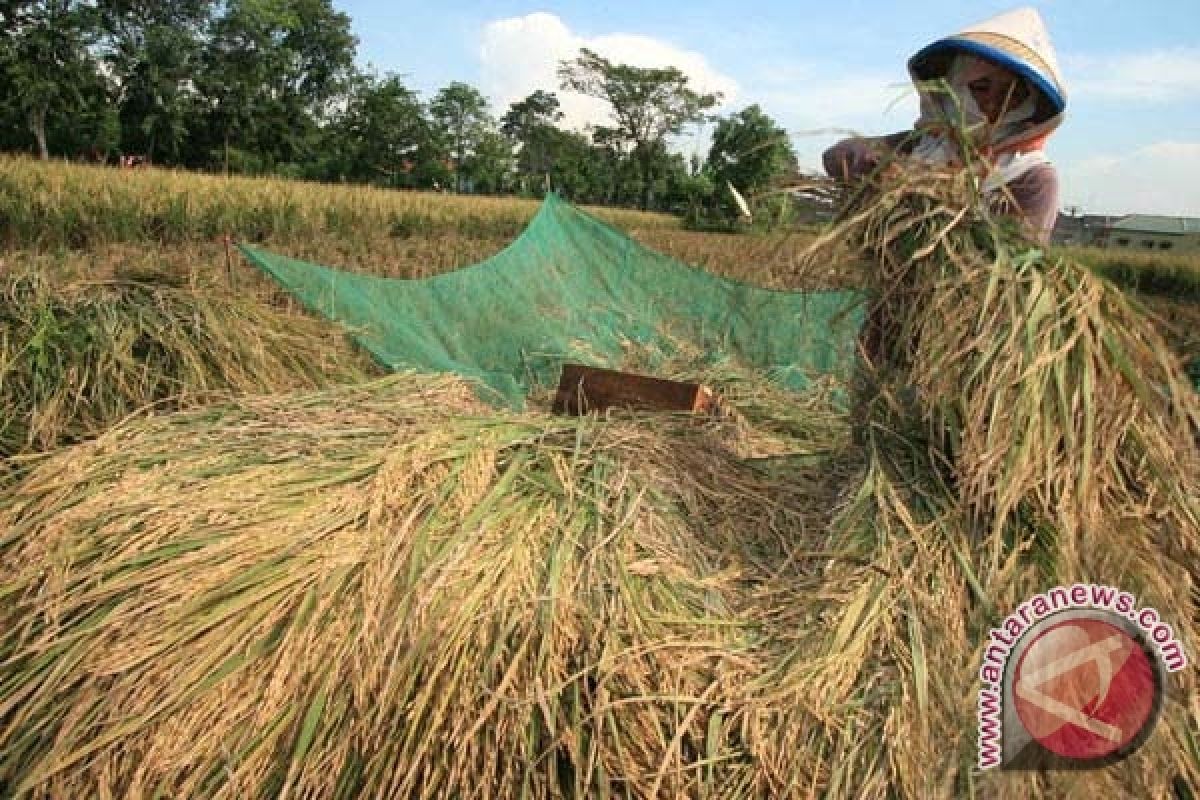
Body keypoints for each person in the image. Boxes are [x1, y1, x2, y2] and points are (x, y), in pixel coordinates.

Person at [823, 7, 1067, 244]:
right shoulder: (924, 144)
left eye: (1012, 95)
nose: (994, 104)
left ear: (1029, 103)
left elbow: (1017, 256)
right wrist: (889, 171)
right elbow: (837, 157)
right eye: (981, 88)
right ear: (955, 87)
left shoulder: (1031, 176)